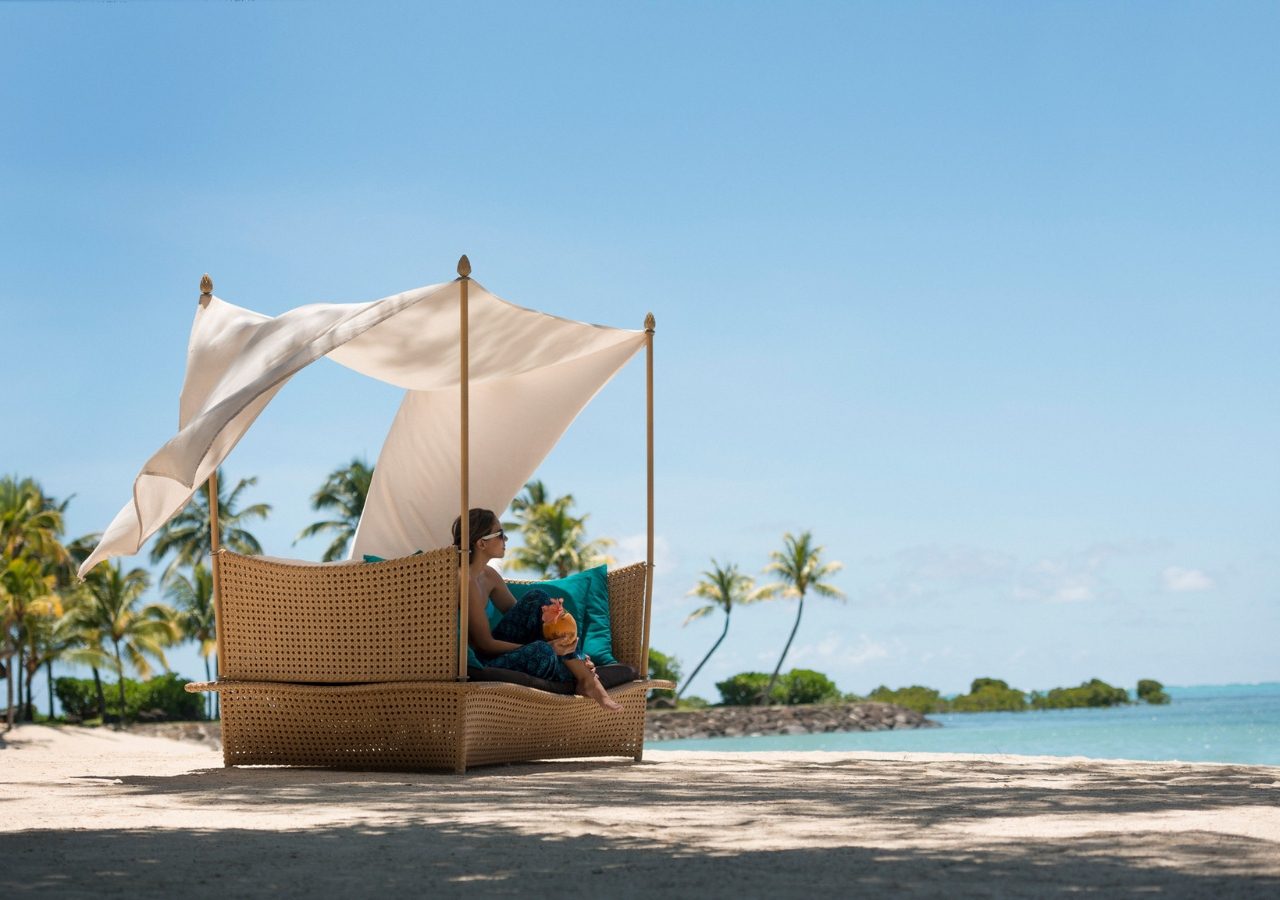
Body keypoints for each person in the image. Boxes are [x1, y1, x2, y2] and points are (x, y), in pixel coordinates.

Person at [454, 508, 622, 712]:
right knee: (542, 652)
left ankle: (585, 677)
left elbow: (526, 616)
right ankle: (584, 675)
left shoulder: (489, 576)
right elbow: (484, 645)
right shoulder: (465, 579)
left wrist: (564, 641)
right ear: (481, 543)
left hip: (500, 649)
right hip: (483, 659)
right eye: (500, 534)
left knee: (537, 599)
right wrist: (548, 647)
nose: (505, 538)